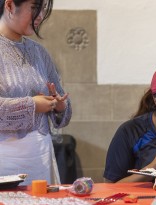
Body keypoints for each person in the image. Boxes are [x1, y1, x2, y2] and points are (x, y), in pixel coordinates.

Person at [0, 0, 72, 185]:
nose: (40, 16)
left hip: (39, 155)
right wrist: (32, 105)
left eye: (43, 9)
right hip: (5, 158)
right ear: (9, 6)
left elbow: (60, 100)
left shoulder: (40, 52)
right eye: (34, 7)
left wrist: (60, 105)